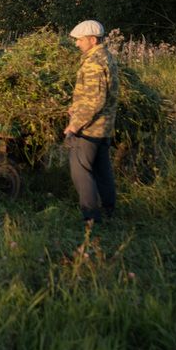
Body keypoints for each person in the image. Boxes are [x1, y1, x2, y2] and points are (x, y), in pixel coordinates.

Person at [63, 20, 119, 229]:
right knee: (102, 169)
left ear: (92, 40)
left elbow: (95, 100)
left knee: (80, 170)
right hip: (104, 126)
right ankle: (108, 209)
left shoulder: (94, 62)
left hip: (90, 128)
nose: (77, 44)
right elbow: (95, 94)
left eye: (80, 40)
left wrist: (74, 125)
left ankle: (91, 217)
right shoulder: (106, 57)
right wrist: (75, 106)